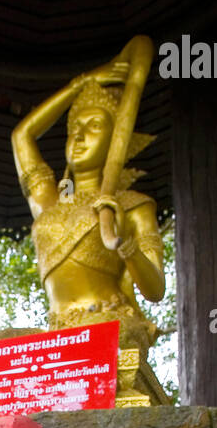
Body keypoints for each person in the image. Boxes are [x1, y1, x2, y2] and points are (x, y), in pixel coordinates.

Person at [11, 35, 165, 363]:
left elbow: (155, 290)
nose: (79, 137)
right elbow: (22, 135)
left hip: (109, 322)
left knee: (98, 344)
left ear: (115, 140)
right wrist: (81, 84)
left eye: (93, 126)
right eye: (74, 129)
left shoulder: (132, 204)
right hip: (55, 332)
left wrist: (126, 244)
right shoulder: (49, 203)